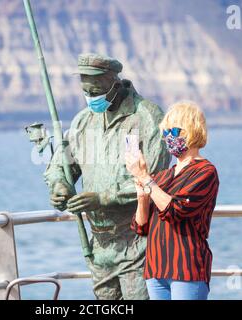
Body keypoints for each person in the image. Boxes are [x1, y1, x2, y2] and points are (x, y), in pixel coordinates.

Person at [44, 53, 171, 299]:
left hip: (138, 242)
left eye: (96, 91)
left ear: (115, 84)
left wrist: (103, 197)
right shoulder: (82, 122)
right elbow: (60, 165)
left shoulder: (147, 117)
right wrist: (59, 185)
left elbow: (154, 179)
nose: (91, 97)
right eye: (86, 92)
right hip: (100, 247)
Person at [126, 101, 219, 300]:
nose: (169, 137)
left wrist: (146, 179)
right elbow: (141, 227)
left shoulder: (205, 172)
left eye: (174, 131)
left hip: (186, 268)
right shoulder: (162, 177)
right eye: (166, 132)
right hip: (156, 269)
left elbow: (175, 210)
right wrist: (142, 196)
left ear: (191, 132)